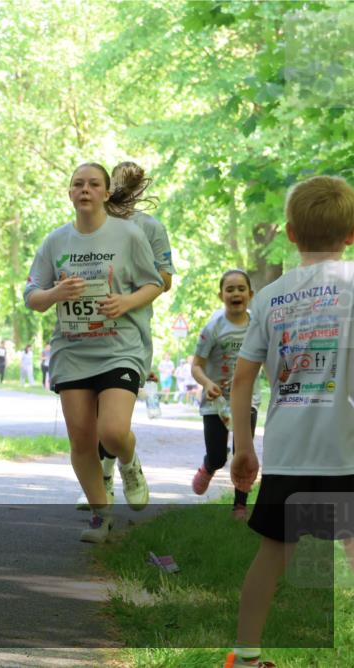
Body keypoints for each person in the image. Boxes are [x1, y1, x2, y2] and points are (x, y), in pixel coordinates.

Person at [225, 175, 354, 668]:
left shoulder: (271, 296)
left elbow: (242, 380)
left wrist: (243, 447)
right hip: (345, 449)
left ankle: (246, 655)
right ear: (351, 233)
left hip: (289, 450)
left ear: (291, 234)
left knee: (273, 556)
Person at [24, 162, 162, 543]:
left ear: (105, 193)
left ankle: (129, 463)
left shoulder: (129, 235)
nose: (85, 189)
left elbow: (154, 284)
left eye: (93, 184)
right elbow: (31, 296)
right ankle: (102, 517)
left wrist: (126, 302)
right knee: (82, 441)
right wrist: (55, 294)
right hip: (73, 350)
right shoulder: (55, 242)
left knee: (113, 432)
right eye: (77, 184)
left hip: (120, 347)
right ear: (70, 193)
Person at [78, 160, 176, 510]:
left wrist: (132, 281)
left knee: (114, 424)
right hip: (86, 335)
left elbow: (163, 279)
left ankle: (121, 466)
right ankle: (101, 479)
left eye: (128, 188)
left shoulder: (148, 228)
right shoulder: (87, 223)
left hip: (127, 333)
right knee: (89, 423)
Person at [190, 270, 261, 519]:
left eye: (241, 288)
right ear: (221, 295)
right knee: (220, 457)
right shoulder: (213, 328)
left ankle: (240, 505)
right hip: (215, 401)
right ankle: (209, 466)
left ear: (250, 295)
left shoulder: (257, 326)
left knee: (243, 453)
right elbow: (196, 365)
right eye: (229, 289)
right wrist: (207, 384)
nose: (235, 293)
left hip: (247, 400)